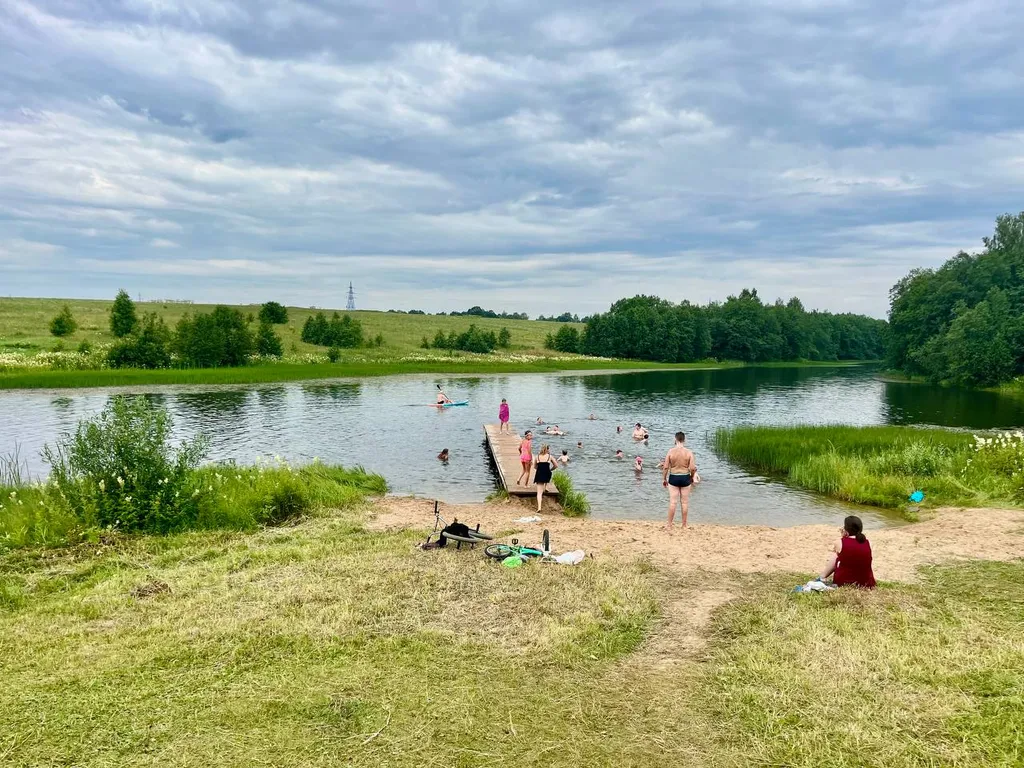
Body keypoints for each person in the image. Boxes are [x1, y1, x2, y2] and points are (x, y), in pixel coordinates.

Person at [819, 516, 876, 588]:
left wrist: (843, 537)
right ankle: (822, 576)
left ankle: (822, 576)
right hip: (866, 583)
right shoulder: (869, 543)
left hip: (843, 583)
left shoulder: (839, 542)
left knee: (837, 556)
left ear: (846, 529)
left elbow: (846, 552)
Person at [662, 431, 697, 532]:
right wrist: (691, 477)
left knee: (673, 502)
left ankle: (669, 525)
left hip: (674, 477)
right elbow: (693, 468)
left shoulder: (671, 451)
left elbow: (665, 467)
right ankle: (684, 525)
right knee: (684, 503)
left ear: (675, 439)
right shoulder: (689, 452)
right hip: (685, 477)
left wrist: (664, 479)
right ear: (684, 440)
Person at [533, 443, 556, 512]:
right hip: (547, 474)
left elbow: (534, 466)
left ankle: (539, 507)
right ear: (547, 449)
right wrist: (550, 469)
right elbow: (556, 465)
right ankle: (546, 486)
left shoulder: (537, 457)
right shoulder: (550, 456)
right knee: (548, 474)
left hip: (539, 474)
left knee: (539, 493)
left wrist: (539, 468)